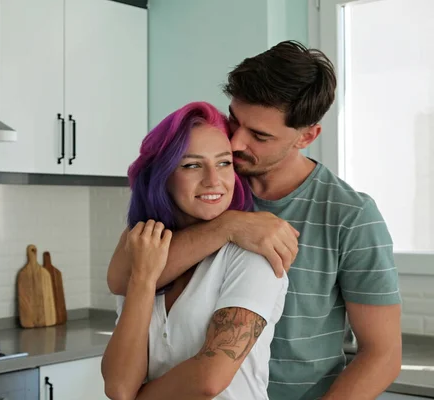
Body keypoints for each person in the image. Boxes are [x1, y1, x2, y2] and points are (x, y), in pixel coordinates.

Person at [107, 41, 402, 400]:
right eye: (234, 120)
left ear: (307, 136)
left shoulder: (349, 216)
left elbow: (382, 355)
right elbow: (125, 276)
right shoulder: (207, 190)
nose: (234, 141)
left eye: (259, 135)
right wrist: (228, 226)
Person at [101, 101, 289, 400]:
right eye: (192, 165)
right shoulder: (145, 251)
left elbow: (209, 381)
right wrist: (144, 279)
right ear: (162, 176)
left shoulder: (253, 253)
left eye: (224, 162)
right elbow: (119, 387)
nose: (214, 180)